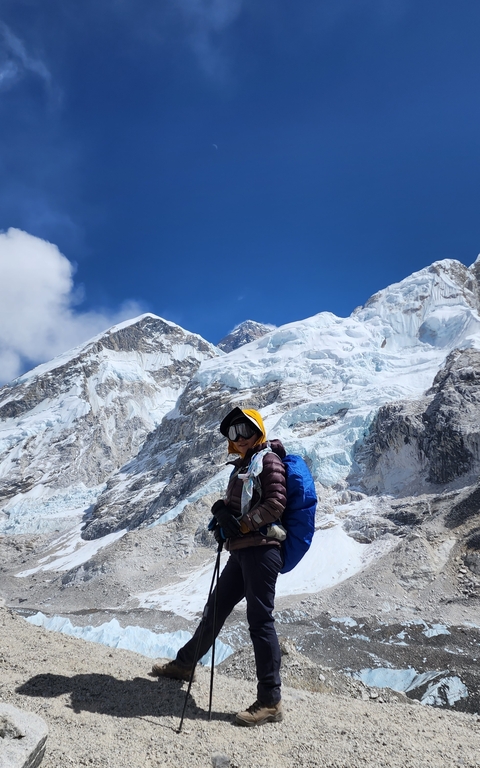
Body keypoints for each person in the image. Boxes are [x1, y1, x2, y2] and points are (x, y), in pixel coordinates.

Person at [151, 407, 287, 727]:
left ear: (259, 431)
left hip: (261, 551)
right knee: (215, 609)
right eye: (232, 433)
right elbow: (242, 506)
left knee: (260, 622)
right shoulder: (242, 466)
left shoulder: (267, 460)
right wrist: (221, 512)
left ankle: (271, 701)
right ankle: (185, 665)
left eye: (245, 430)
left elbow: (276, 503)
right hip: (242, 552)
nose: (239, 438)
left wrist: (240, 526)